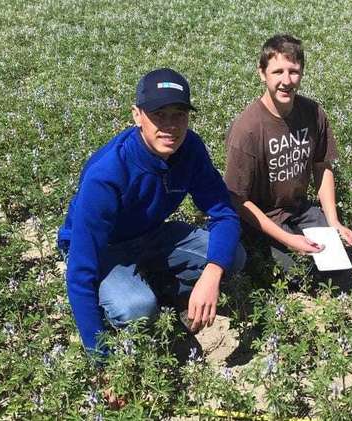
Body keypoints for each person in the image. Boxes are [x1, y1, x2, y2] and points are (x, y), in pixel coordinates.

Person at [58, 68, 246, 356]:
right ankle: (131, 294)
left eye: (179, 114)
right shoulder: (107, 175)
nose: (170, 126)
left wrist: (212, 273)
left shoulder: (190, 149)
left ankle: (157, 285)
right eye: (159, 115)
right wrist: (100, 359)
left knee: (231, 256)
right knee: (137, 308)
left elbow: (224, 214)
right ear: (137, 115)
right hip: (103, 249)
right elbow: (80, 272)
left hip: (151, 233)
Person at [224, 34, 352, 287]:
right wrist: (287, 240)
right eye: (277, 72)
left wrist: (334, 221)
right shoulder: (248, 129)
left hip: (298, 209)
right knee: (300, 274)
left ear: (302, 73)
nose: (286, 81)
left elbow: (322, 166)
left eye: (293, 71)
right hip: (260, 219)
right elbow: (237, 200)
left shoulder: (313, 113)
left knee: (339, 263)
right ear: (262, 74)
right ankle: (256, 250)